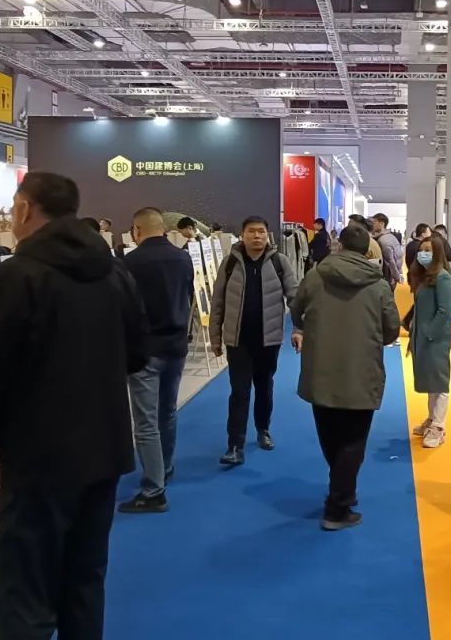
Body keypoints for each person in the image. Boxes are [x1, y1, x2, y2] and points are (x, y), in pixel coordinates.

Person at [0, 171, 148, 640]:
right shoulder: (113, 272)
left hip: (38, 458)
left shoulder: (18, 275)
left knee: (26, 589)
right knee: (85, 581)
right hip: (104, 450)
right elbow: (139, 353)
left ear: (24, 209)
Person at [290, 224, 400, 530]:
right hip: (361, 371)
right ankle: (337, 507)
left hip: (320, 369)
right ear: (367, 251)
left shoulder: (315, 276)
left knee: (330, 436)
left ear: (339, 245)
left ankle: (341, 489)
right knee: (353, 440)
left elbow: (296, 311)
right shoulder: (378, 285)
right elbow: (391, 329)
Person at [119, 207, 195, 515]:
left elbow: (124, 309)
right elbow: (188, 298)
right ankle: (165, 467)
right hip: (176, 346)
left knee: (146, 421)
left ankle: (153, 489)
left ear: (136, 230)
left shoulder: (129, 263)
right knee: (167, 412)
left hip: (145, 350)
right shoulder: (183, 258)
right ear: (163, 228)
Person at [210, 216, 298, 466]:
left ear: (267, 235)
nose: (256, 236)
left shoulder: (279, 262)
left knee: (264, 386)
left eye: (261, 232)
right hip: (237, 340)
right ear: (242, 234)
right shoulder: (230, 263)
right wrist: (215, 336)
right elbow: (218, 302)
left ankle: (262, 429)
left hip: (268, 340)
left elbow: (295, 296)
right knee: (239, 391)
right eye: (251, 231)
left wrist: (299, 328)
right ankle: (234, 445)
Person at [407, 236, 451, 448]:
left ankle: (439, 426)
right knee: (429, 380)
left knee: (439, 381)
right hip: (421, 337)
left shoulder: (443, 278)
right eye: (421, 249)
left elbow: (444, 311)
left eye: (429, 250)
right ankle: (432, 418)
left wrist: (430, 333)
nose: (423, 254)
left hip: (436, 339)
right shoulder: (424, 278)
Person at [372, 213, 403, 289]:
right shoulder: (391, 236)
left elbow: (390, 261)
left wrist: (396, 276)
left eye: (374, 222)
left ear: (382, 224)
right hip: (392, 276)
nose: (372, 225)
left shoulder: (383, 240)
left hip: (388, 277)